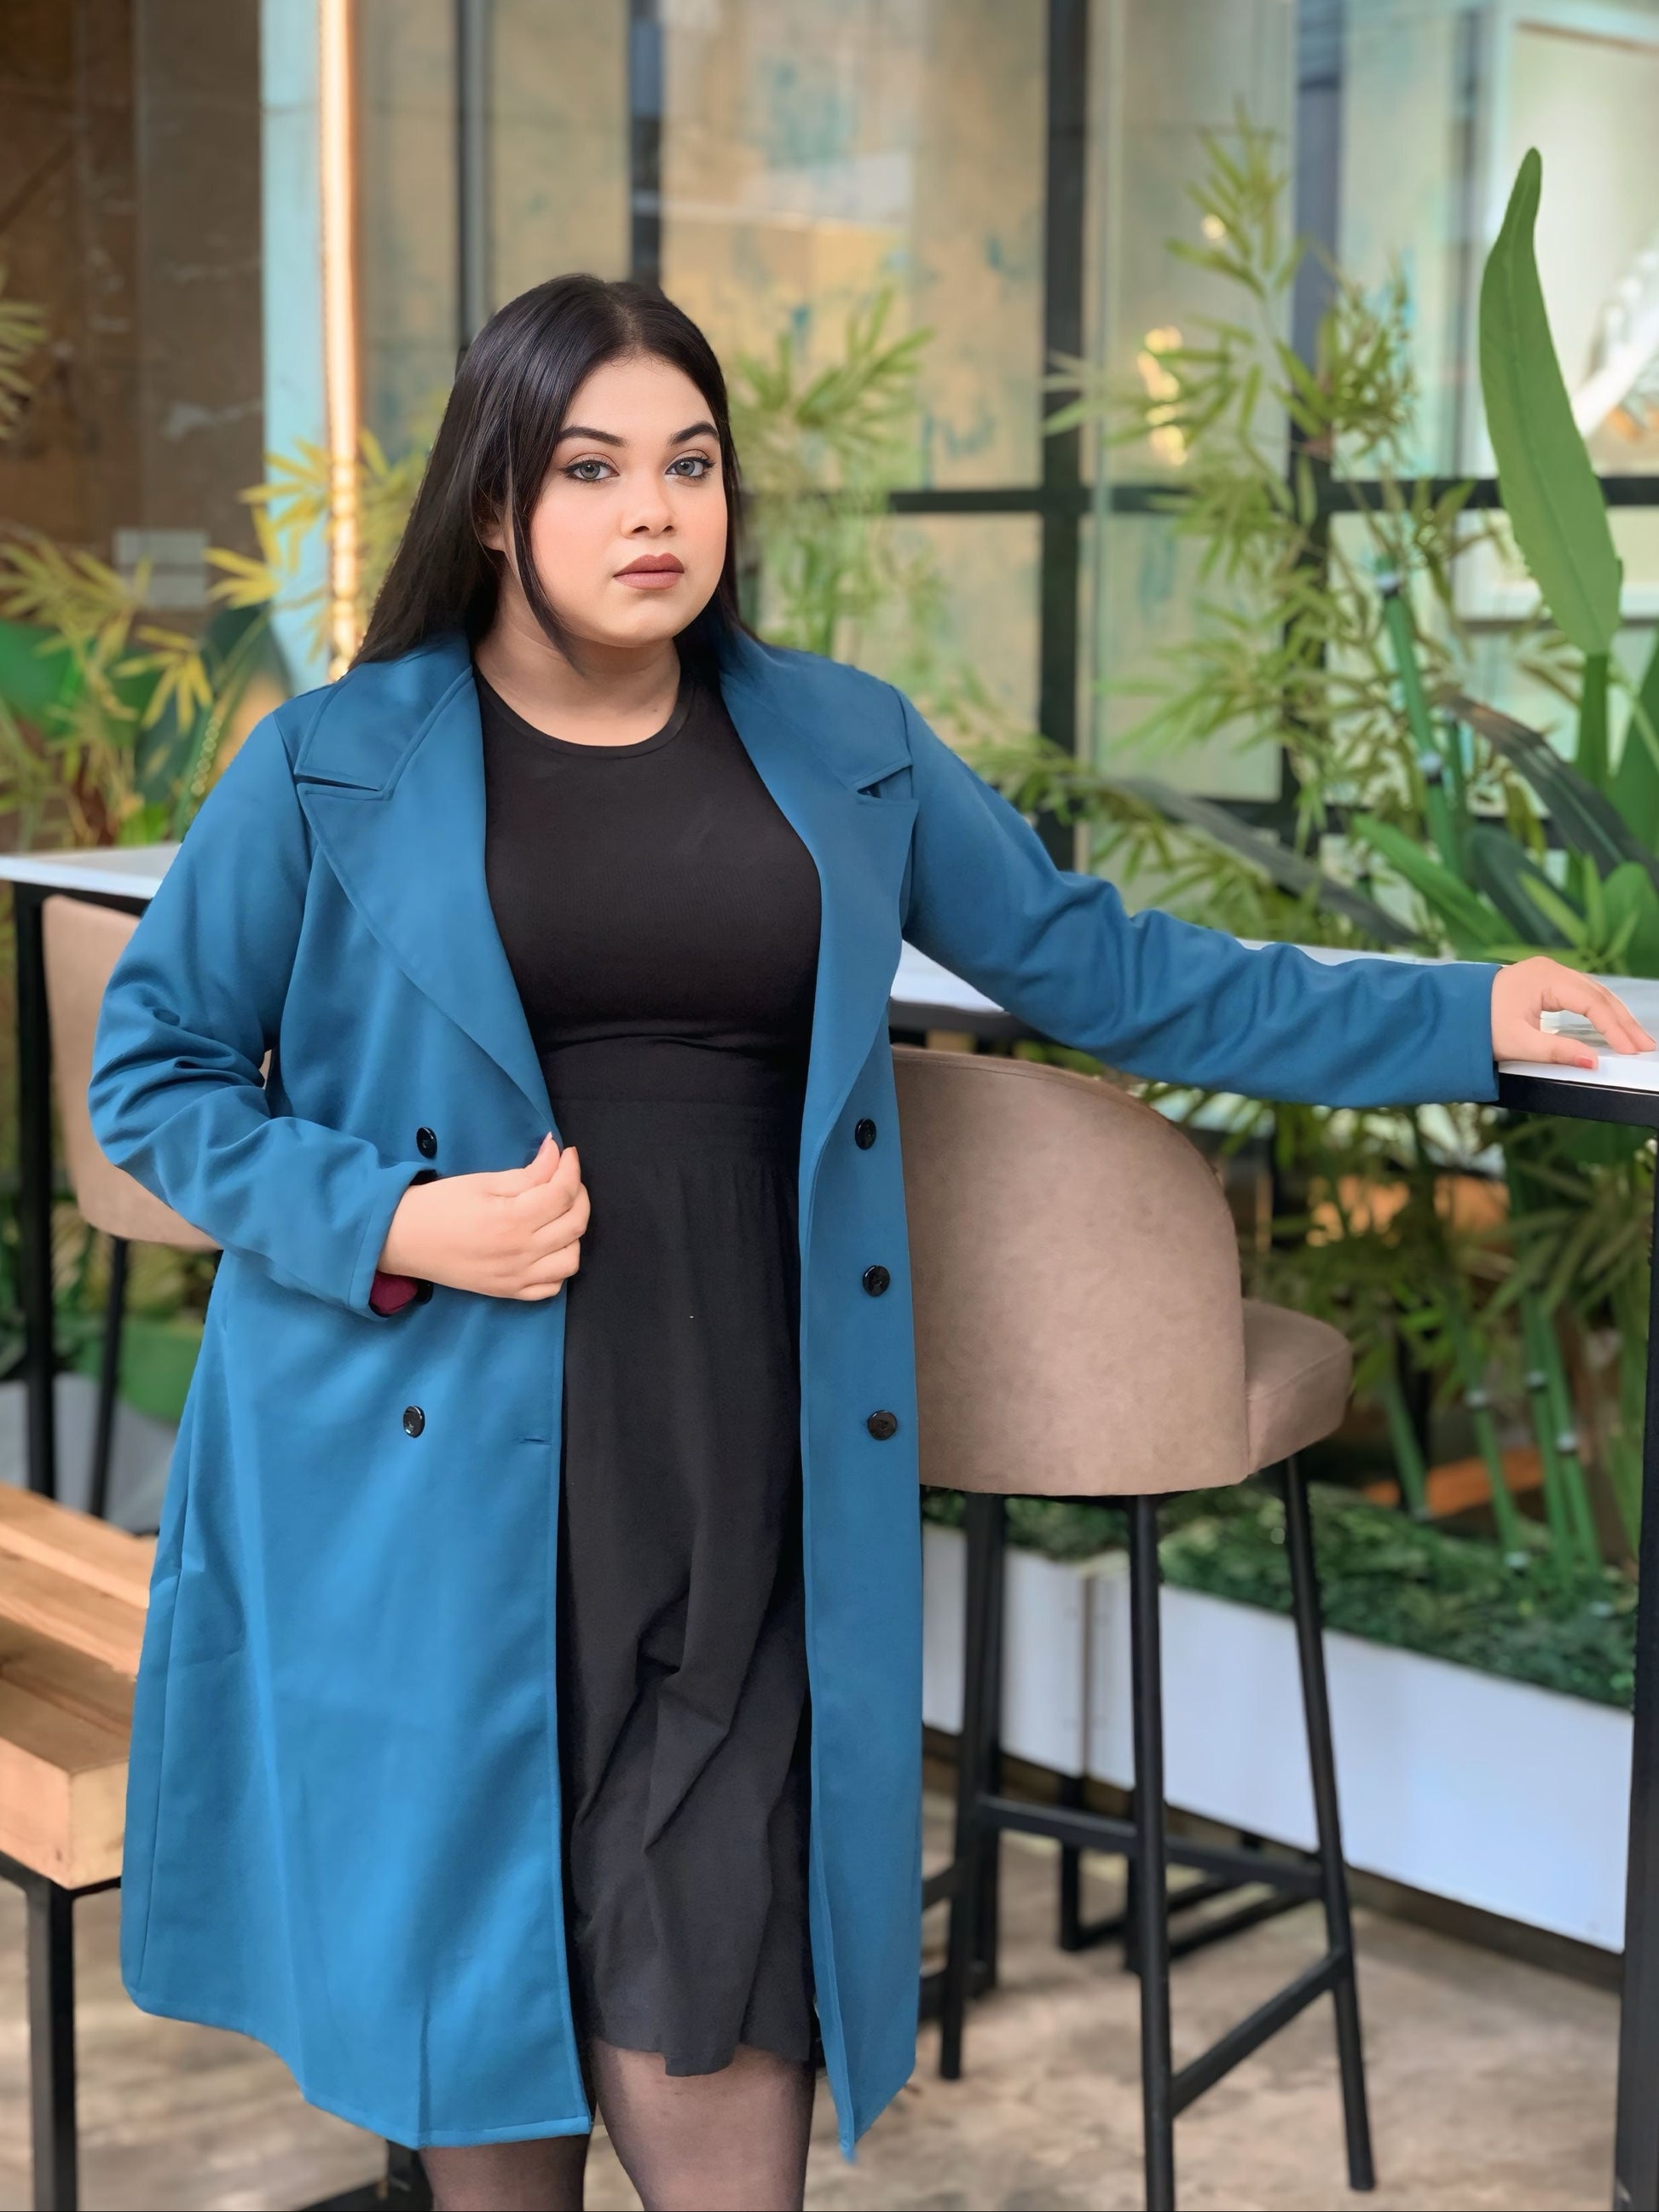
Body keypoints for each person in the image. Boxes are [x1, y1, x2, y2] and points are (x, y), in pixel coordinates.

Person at [86, 273, 1654, 2212]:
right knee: (480, 1999)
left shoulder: (841, 743)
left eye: (691, 465)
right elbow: (152, 1076)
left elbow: (1110, 970)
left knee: (723, 1968)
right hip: (434, 1460)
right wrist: (394, 1216)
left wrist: (1461, 1014)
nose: (654, 512)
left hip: (749, 1446)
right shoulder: (337, 759)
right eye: (591, 469)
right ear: (494, 503)